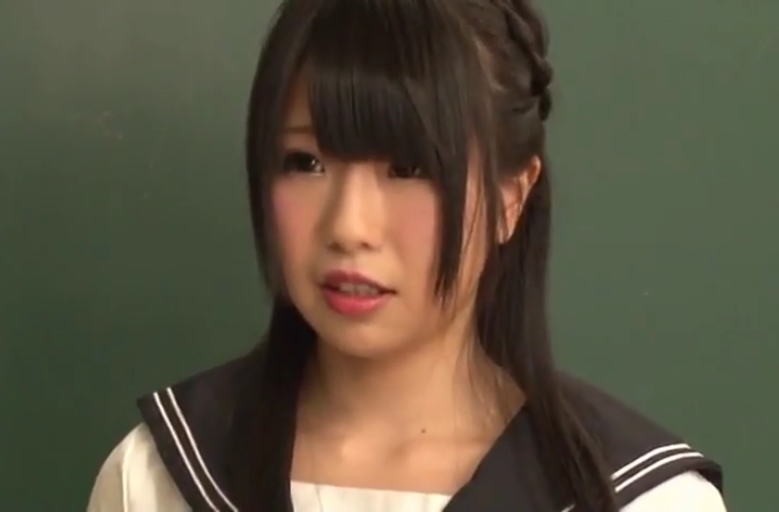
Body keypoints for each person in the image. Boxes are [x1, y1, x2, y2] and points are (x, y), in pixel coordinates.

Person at [87, 0, 727, 510]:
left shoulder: (642, 499)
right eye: (305, 162)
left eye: (410, 167)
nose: (349, 226)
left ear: (511, 196)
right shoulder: (157, 479)